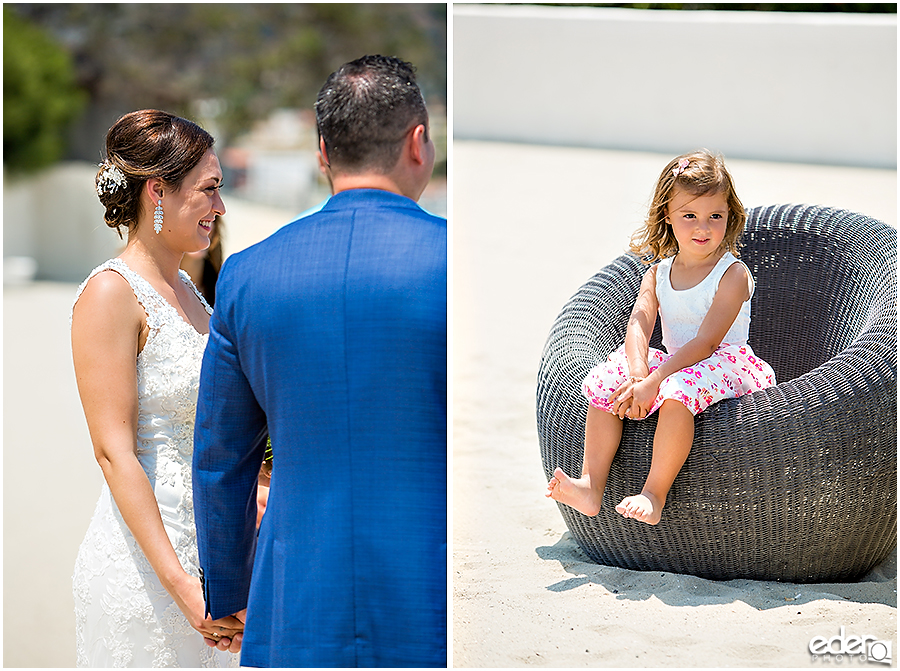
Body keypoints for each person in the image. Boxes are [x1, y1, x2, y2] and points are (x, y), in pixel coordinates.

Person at [192, 55, 447, 667]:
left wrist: (227, 589)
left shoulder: (247, 275)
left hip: (295, 598)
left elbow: (221, 455)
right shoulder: (453, 263)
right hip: (431, 593)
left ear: (323, 155)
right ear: (419, 144)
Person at [71, 109, 244, 667]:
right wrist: (185, 590)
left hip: (210, 558)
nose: (220, 207)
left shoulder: (192, 292)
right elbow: (114, 452)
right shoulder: (110, 293)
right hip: (146, 573)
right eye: (209, 189)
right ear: (157, 191)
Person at [546, 150, 776, 525]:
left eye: (714, 216)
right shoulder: (657, 273)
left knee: (675, 391)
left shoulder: (732, 274)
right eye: (690, 216)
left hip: (726, 362)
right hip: (674, 361)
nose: (703, 228)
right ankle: (591, 485)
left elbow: (705, 344)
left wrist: (654, 382)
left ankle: (654, 493)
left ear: (730, 216)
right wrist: (637, 375)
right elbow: (638, 323)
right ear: (667, 216)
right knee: (608, 379)